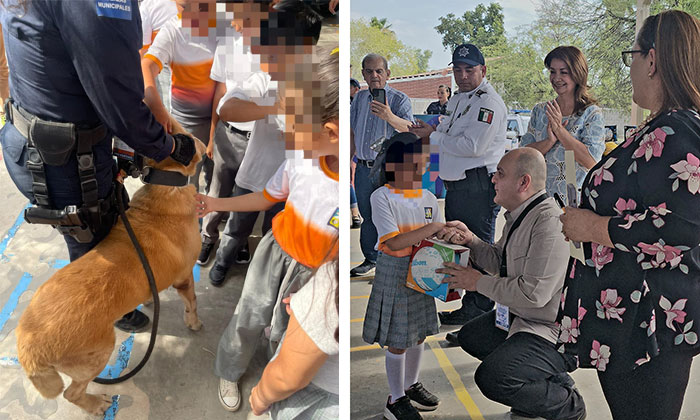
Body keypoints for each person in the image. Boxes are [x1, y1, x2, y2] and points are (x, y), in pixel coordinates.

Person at [0, 0, 196, 332]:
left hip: (35, 139)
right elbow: (119, 103)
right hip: (64, 161)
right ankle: (102, 315)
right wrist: (171, 147)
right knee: (95, 246)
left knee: (94, 231)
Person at [557, 10, 700, 420]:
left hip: (649, 325)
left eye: (632, 55)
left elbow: (685, 224)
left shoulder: (676, 130)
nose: (631, 66)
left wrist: (595, 226)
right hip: (630, 319)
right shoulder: (659, 127)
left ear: (652, 60)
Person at [436, 148, 586, 420]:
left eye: (500, 174)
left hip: (551, 328)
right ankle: (542, 385)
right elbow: (499, 261)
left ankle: (568, 406)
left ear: (523, 182)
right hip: (523, 316)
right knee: (472, 337)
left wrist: (476, 282)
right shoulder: (522, 214)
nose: (493, 179)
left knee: (494, 378)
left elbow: (533, 294)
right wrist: (470, 240)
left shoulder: (549, 222)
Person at [410, 43, 506, 326]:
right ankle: (469, 306)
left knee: (479, 251)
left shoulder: (487, 102)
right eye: (458, 70)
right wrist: (435, 139)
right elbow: (447, 135)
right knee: (459, 248)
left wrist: (434, 136)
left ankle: (480, 309)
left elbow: (473, 146)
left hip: (477, 187)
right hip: (457, 187)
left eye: (469, 70)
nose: (463, 75)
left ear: (483, 70)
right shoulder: (460, 99)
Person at [362, 133, 443, 420]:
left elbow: (437, 233)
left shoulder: (429, 197)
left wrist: (447, 232)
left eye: (422, 166)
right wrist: (432, 228)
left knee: (418, 333)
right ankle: (395, 399)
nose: (419, 172)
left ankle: (411, 385)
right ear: (395, 166)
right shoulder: (381, 196)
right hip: (395, 272)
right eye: (414, 166)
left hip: (423, 271)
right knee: (398, 338)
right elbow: (394, 242)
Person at [141, 0, 217, 193]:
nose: (192, 12)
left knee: (215, 175)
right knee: (187, 182)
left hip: (221, 118)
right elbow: (146, 66)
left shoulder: (224, 24)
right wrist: (158, 109)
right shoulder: (173, 29)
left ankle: (211, 214)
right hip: (187, 121)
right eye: (183, 7)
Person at [249, 260, 339, 419]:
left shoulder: (332, 284)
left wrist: (260, 397)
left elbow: (286, 377)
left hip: (315, 398)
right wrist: (306, 304)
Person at [350, 53, 413, 277]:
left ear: (388, 74)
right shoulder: (358, 99)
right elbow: (351, 132)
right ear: (364, 74)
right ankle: (371, 259)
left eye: (379, 71)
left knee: (390, 217)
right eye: (369, 71)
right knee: (367, 216)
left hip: (389, 170)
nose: (374, 75)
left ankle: (391, 262)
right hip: (364, 167)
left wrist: (389, 116)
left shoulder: (399, 100)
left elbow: (410, 130)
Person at [520, 46, 605, 203]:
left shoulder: (591, 114)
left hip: (574, 203)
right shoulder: (540, 111)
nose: (556, 78)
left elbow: (591, 162)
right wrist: (548, 142)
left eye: (564, 72)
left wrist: (560, 131)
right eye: (553, 72)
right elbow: (523, 156)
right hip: (538, 200)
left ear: (578, 73)